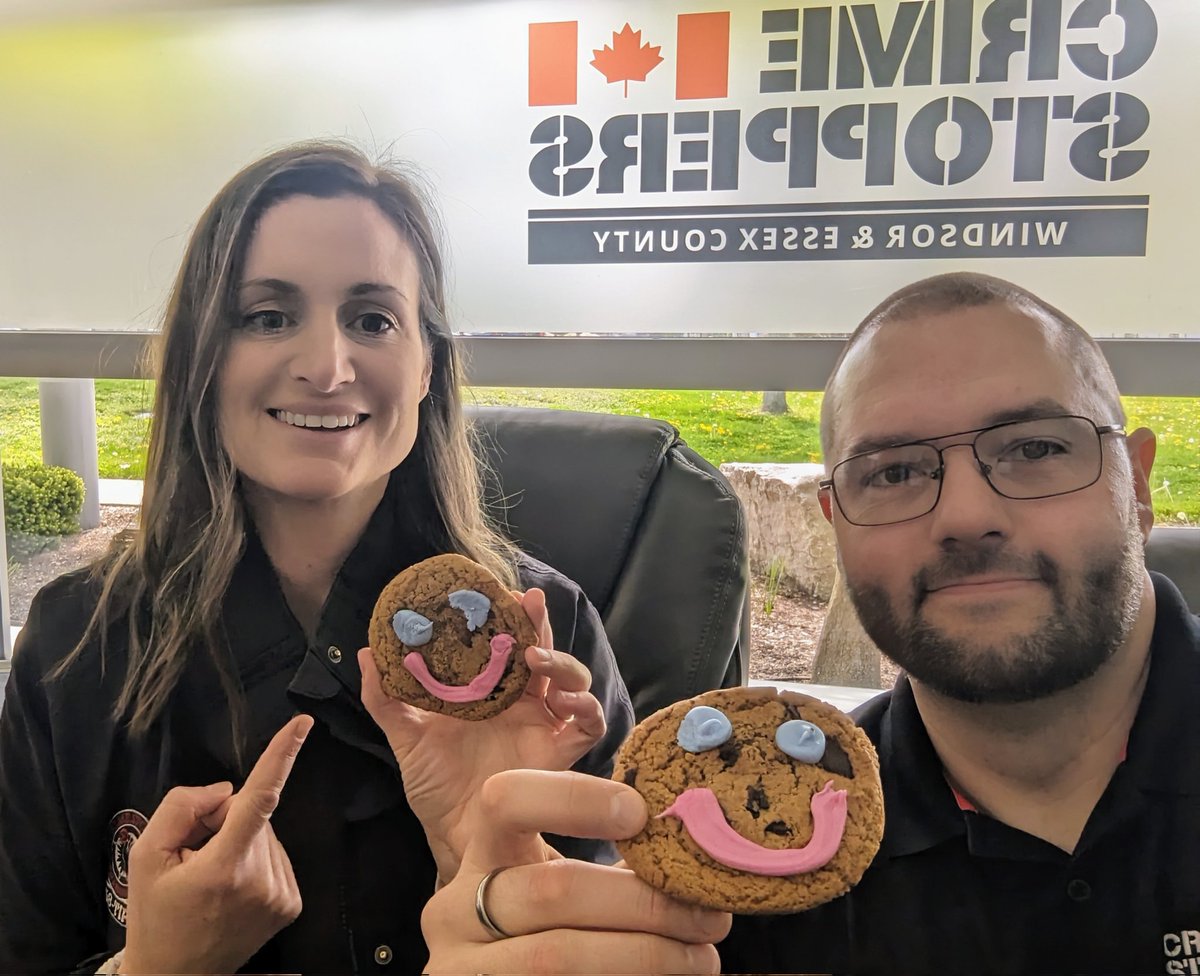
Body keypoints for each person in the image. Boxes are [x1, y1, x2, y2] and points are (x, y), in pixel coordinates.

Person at [417, 271, 1200, 975]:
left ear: (1135, 482)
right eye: (893, 472)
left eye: (1033, 448)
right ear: (837, 521)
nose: (966, 515)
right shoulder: (749, 874)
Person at [0, 142, 634, 975]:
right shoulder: (77, 643)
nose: (326, 368)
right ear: (203, 358)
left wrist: (485, 870)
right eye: (268, 316)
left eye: (373, 320)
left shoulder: (544, 651)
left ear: (425, 367)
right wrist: (153, 968)